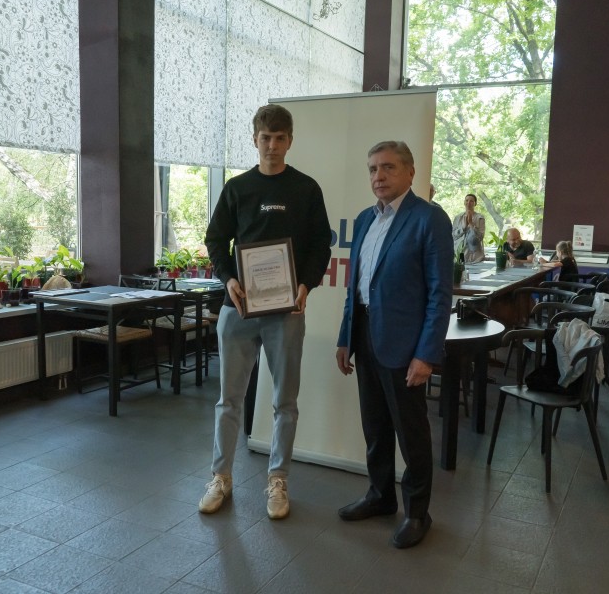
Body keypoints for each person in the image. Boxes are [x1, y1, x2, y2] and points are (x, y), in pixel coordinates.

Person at [201, 104, 332, 519]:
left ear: (289, 141)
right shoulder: (237, 188)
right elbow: (215, 239)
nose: (272, 145)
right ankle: (221, 476)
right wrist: (228, 279)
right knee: (228, 400)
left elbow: (320, 245)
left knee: (284, 402)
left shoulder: (306, 189)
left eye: (279, 138)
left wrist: (306, 284)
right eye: (265, 138)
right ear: (254, 139)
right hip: (238, 309)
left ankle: (278, 479)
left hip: (286, 311)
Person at [335, 141, 454, 548]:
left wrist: (426, 354)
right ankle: (380, 495)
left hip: (405, 345)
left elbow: (440, 294)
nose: (378, 176)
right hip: (365, 334)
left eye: (387, 167)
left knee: (411, 433)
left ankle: (417, 513)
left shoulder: (429, 219)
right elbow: (356, 288)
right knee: (375, 426)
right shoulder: (365, 220)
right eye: (372, 169)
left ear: (410, 172)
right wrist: (345, 337)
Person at [451, 193, 485, 262]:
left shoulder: (480, 218)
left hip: (476, 257)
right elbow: (453, 236)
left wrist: (471, 224)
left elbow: (481, 237)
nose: (468, 203)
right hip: (460, 255)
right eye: (466, 200)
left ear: (475, 204)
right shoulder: (458, 217)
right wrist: (463, 228)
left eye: (471, 201)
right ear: (464, 202)